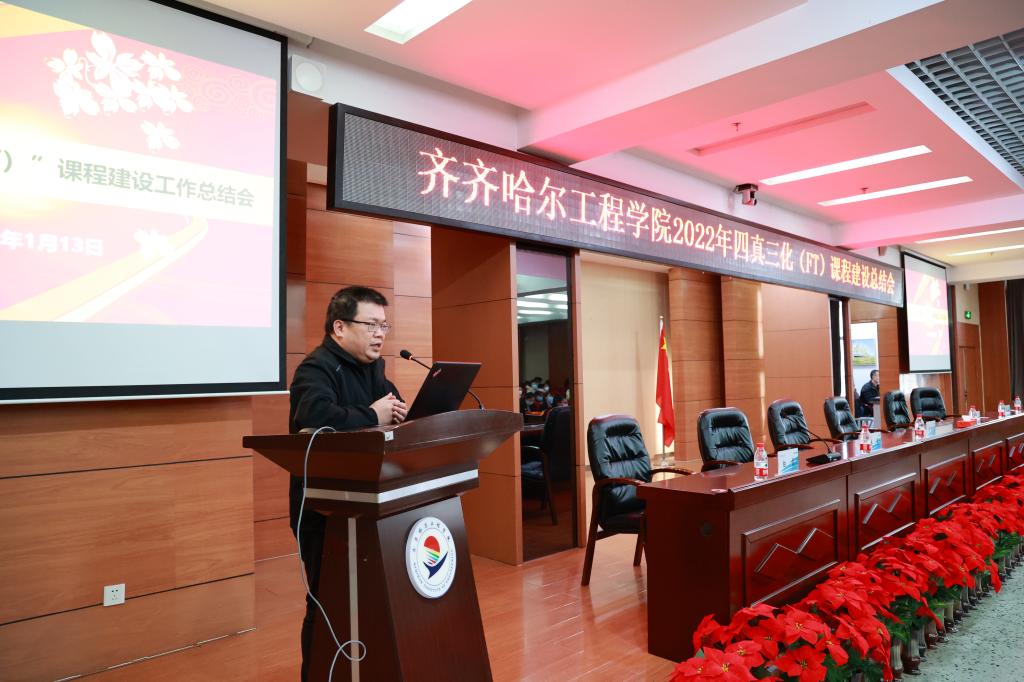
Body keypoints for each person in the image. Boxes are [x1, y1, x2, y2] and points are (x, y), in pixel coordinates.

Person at [288, 285, 407, 681]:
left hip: (371, 502)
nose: (380, 334)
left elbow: (392, 408)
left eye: (384, 326)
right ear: (339, 327)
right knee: (327, 601)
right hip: (324, 509)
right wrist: (373, 415)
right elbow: (317, 419)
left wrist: (399, 413)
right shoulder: (316, 368)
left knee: (371, 599)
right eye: (371, 325)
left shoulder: (374, 368)